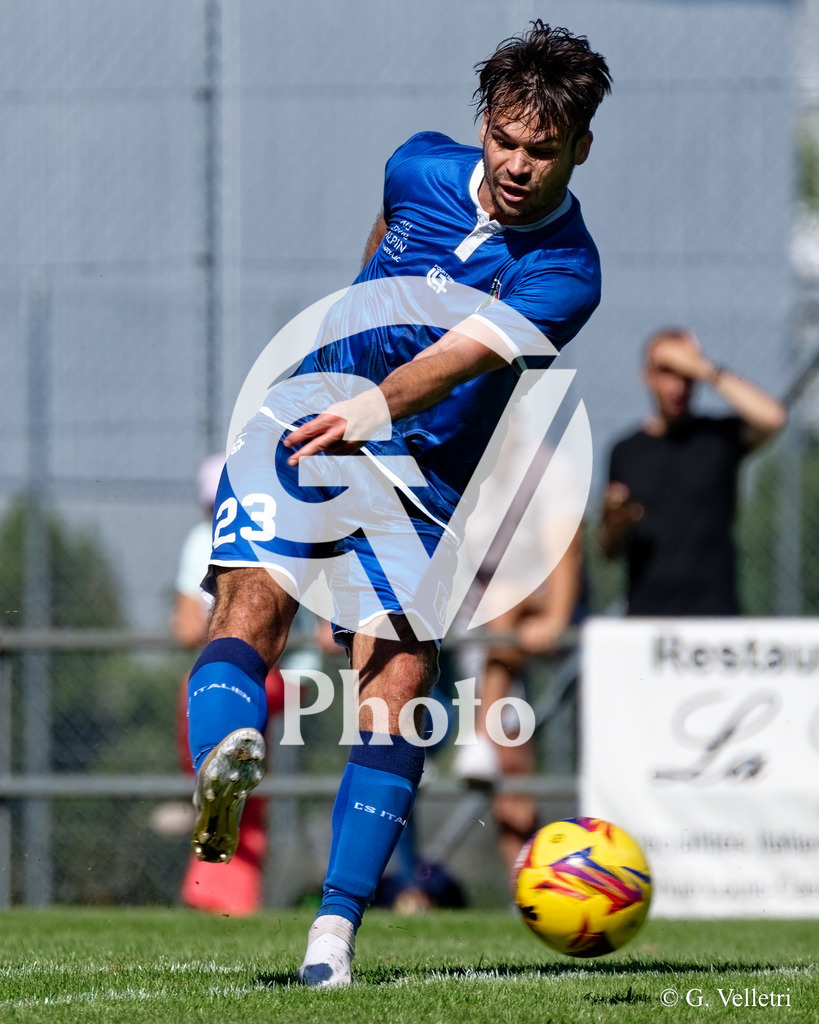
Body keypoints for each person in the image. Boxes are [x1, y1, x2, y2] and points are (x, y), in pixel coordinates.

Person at [185, 22, 611, 987]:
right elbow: (374, 251)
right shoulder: (413, 164)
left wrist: (372, 405)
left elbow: (459, 356)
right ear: (484, 126)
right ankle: (228, 757)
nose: (517, 164)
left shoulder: (567, 271)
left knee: (398, 685)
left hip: (416, 477)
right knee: (251, 605)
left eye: (542, 151)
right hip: (304, 419)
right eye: (504, 139)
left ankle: (330, 941)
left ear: (581, 148)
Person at [599, 328, 787, 615]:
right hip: (647, 616)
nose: (677, 387)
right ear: (646, 377)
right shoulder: (624, 450)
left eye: (685, 375)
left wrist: (702, 366)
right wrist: (615, 522)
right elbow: (608, 551)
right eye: (666, 373)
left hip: (714, 614)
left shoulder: (719, 438)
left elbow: (772, 417)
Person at [170, 453, 286, 915]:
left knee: (221, 773)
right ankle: (227, 890)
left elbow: (184, 628)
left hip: (223, 675)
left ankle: (216, 890)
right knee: (249, 793)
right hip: (284, 676)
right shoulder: (293, 529)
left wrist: (225, 629)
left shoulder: (203, 538)